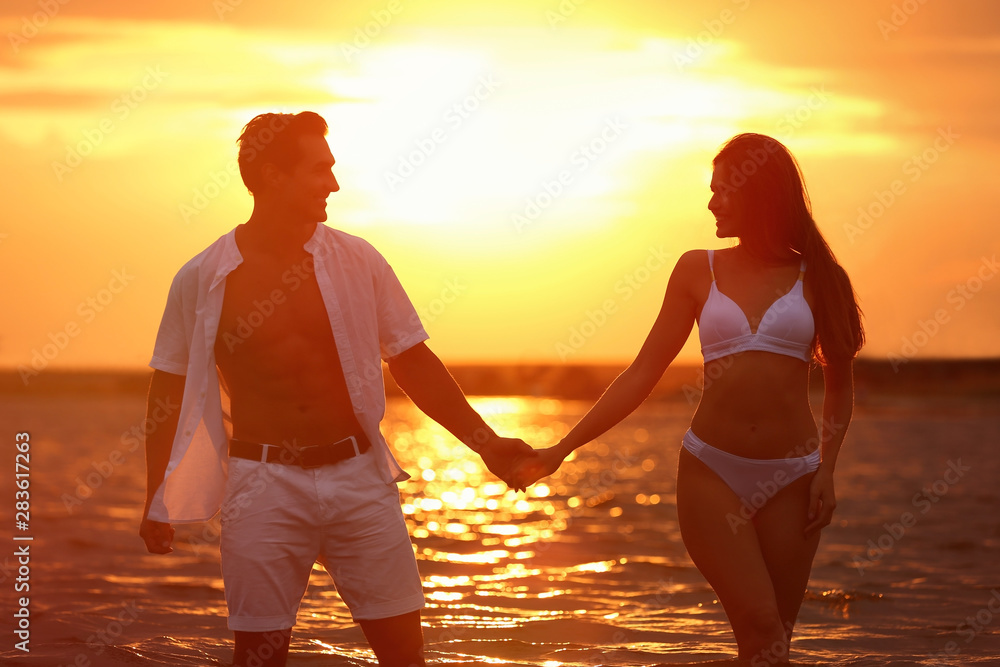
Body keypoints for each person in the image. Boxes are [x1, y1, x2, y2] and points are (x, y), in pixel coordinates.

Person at [138, 111, 536, 667]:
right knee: (257, 653)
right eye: (319, 169)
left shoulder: (358, 259)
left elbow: (413, 360)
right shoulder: (203, 277)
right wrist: (158, 495)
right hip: (261, 485)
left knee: (403, 654)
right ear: (273, 176)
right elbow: (169, 389)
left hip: (359, 479)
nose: (334, 183)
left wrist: (488, 445)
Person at [516, 133, 864, 665]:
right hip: (712, 472)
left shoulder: (818, 277)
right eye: (712, 189)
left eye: (724, 191)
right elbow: (641, 374)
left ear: (760, 195)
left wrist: (827, 471)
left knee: (772, 644)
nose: (712, 202)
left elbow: (840, 383)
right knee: (760, 622)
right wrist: (563, 447)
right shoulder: (696, 270)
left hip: (795, 477)